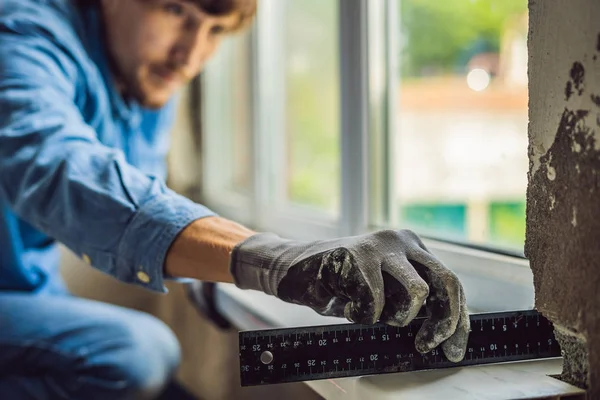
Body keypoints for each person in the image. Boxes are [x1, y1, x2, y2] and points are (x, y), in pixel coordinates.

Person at [0, 0, 470, 399]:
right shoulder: (20, 35)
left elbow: (137, 197)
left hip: (31, 298)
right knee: (137, 351)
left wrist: (212, 276)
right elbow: (54, 165)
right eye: (175, 10)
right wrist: (276, 259)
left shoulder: (140, 76)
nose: (190, 55)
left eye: (217, 30)